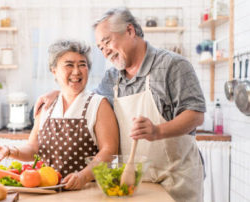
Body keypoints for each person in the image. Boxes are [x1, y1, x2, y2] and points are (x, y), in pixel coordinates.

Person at [34, 8, 206, 202]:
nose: (105, 50)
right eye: (100, 47)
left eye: (107, 41)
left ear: (130, 31)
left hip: (176, 178)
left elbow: (195, 114)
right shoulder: (112, 77)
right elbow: (87, 100)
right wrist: (60, 92)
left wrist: (157, 131)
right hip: (132, 182)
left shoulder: (173, 65)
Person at [0, 40, 119, 190]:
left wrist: (83, 176)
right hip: (47, 191)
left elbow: (109, 151)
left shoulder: (98, 104)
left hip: (87, 190)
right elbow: (33, 149)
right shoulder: (47, 105)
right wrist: (9, 151)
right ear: (54, 71)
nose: (76, 71)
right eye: (69, 65)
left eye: (82, 65)